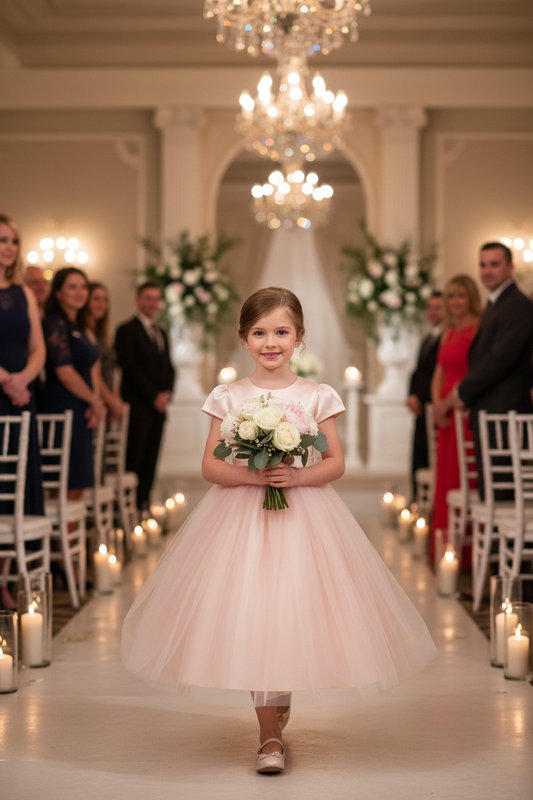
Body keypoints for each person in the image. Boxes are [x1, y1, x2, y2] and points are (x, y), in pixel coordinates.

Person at [122, 287, 437, 774]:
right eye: (259, 333)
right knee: (253, 610)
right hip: (240, 519)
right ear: (244, 338)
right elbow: (210, 466)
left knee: (291, 608)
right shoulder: (228, 396)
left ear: (299, 337)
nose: (271, 343)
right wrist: (255, 476)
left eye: (281, 332)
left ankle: (278, 699)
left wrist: (294, 475)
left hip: (303, 514)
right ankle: (268, 735)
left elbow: (335, 462)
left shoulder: (317, 395)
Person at [456, 243, 533, 499]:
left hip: (505, 412)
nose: (487, 270)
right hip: (491, 410)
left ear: (510, 267)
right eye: (483, 264)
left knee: (503, 494)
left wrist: (463, 393)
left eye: (494, 264)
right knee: (491, 492)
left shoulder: (517, 304)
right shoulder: (496, 302)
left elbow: (499, 360)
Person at [0, 214, 46, 608]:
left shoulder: (23, 293)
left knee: (16, 485)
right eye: (2, 240)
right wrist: (5, 379)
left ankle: (4, 577)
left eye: (13, 241)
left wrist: (23, 379)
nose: (9, 248)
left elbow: (38, 347)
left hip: (20, 396)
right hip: (6, 389)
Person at [39, 267, 105, 495]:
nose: (80, 292)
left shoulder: (80, 326)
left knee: (80, 482)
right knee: (67, 483)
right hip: (63, 406)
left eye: (83, 287)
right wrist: (94, 401)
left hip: (81, 407)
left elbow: (92, 367)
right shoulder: (54, 323)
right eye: (72, 287)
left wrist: (95, 402)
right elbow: (64, 371)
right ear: (58, 292)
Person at [430, 276, 480, 557]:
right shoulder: (448, 332)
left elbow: (477, 373)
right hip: (446, 418)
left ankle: (468, 554)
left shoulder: (478, 329)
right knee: (446, 480)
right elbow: (439, 372)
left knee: (464, 478)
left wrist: (451, 403)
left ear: (471, 297)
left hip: (465, 412)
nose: (456, 301)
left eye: (461, 295)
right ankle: (446, 549)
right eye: (451, 296)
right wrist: (438, 405)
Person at [114, 282, 175, 511]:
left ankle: (143, 507)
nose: (152, 303)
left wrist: (167, 393)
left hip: (158, 411)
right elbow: (130, 369)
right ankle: (127, 510)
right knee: (134, 460)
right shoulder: (126, 330)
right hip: (138, 408)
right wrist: (154, 396)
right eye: (148, 298)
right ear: (138, 300)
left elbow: (169, 368)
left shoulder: (161, 332)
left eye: (156, 299)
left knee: (151, 462)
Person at [407, 291, 445, 500]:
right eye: (430, 307)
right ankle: (418, 502)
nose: (433, 312)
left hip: (433, 406)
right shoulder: (428, 339)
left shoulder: (446, 337)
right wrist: (412, 396)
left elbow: (435, 375)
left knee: (431, 458)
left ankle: (430, 504)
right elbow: (418, 372)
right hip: (421, 408)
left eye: (438, 307)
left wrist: (421, 398)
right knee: (418, 456)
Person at [86, 282, 124, 421]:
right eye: (96, 299)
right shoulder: (84, 333)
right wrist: (110, 401)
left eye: (105, 300)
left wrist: (115, 397)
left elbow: (112, 371)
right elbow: (94, 371)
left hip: (106, 402)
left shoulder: (101, 335)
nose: (101, 304)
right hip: (95, 401)